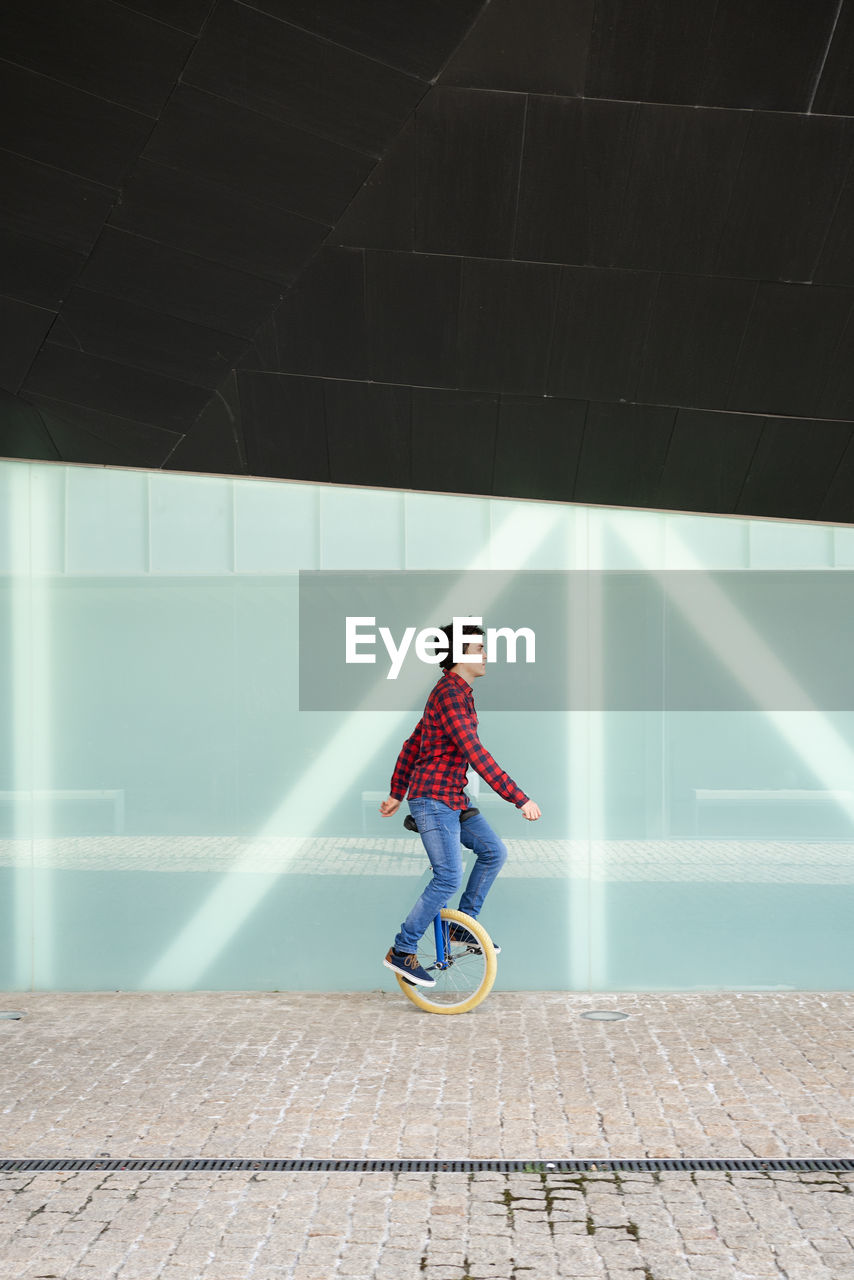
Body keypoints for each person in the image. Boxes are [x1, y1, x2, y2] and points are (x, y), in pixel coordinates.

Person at [380, 621, 541, 986]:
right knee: (448, 875)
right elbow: (475, 753)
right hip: (434, 800)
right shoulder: (450, 694)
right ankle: (402, 950)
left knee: (493, 851)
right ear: (456, 656)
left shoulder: (458, 693)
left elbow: (411, 745)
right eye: (476, 648)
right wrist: (519, 798)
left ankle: (459, 928)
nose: (484, 653)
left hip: (452, 798)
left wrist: (394, 793)